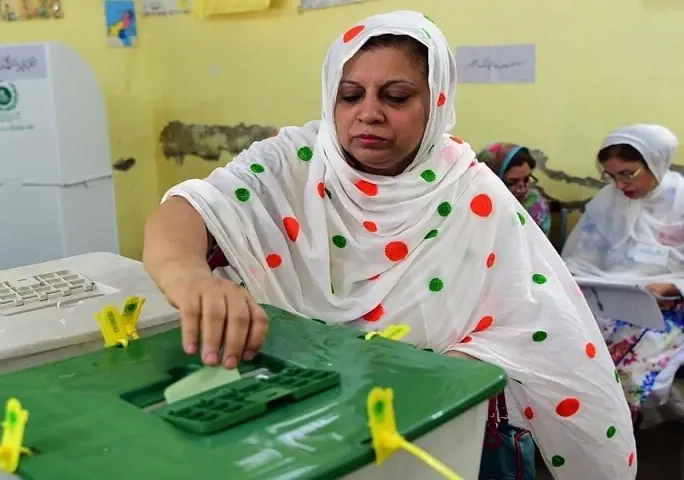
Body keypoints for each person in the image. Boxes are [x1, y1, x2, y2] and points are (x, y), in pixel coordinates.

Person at [144, 11, 635, 479]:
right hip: (287, 414)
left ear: (436, 101)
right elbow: (188, 208)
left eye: (396, 97)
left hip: (417, 429)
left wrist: (421, 375)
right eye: (350, 95)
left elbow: (539, 332)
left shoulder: (471, 196)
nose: (368, 114)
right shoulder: (294, 163)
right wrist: (189, 276)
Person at [562, 124, 684, 425]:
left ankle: (614, 432)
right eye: (611, 175)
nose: (619, 185)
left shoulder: (679, 201)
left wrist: (671, 286)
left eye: (627, 174)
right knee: (570, 347)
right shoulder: (608, 203)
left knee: (630, 366)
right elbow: (580, 259)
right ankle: (579, 427)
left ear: (655, 162)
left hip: (669, 306)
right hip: (612, 299)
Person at [477, 142, 551, 236]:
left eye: (526, 179)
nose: (522, 188)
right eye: (512, 182)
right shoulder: (475, 205)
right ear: (492, 179)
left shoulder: (535, 207)